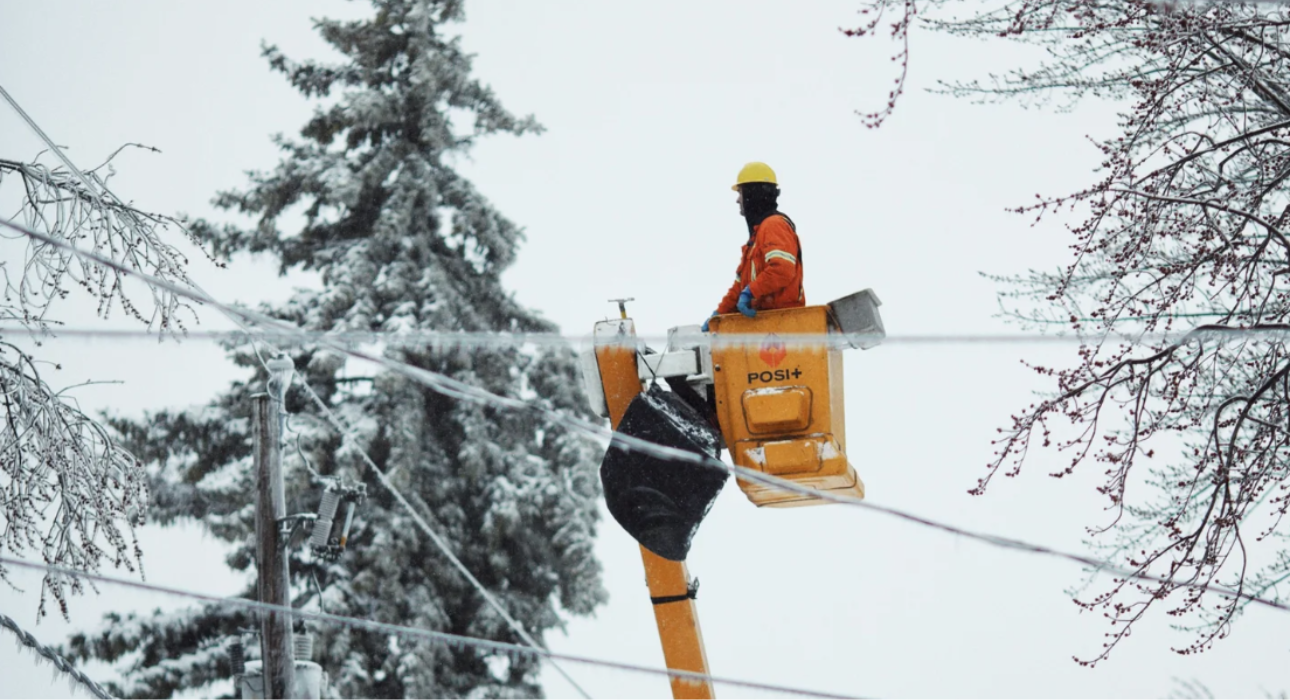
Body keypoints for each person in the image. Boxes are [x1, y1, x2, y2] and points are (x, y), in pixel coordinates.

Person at [702, 162, 804, 332]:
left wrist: (751, 292)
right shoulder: (755, 239)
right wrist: (717, 317)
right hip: (766, 326)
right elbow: (738, 288)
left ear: (752, 193)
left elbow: (782, 269)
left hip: (783, 326)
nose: (737, 200)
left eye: (740, 193)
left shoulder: (774, 225)